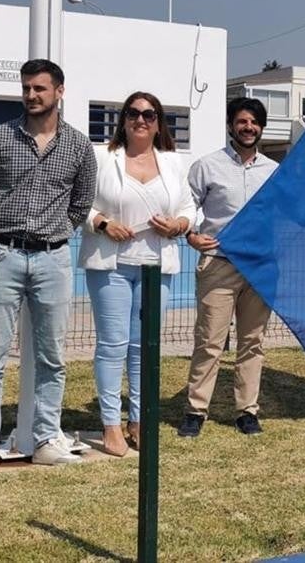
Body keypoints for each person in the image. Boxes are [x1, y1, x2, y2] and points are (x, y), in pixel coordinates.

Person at [0, 58, 97, 475]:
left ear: (59, 91)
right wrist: (4, 229)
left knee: (53, 356)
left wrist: (54, 231)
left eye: (40, 88)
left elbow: (81, 202)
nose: (32, 95)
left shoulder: (77, 146)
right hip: (2, 255)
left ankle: (46, 437)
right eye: (26, 88)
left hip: (54, 258)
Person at [81, 92, 195, 456]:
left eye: (148, 114)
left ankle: (140, 419)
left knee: (144, 347)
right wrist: (102, 224)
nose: (140, 119)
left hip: (155, 267)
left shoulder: (175, 163)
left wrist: (179, 224)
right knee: (112, 346)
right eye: (133, 113)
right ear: (123, 120)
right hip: (111, 266)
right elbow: (80, 203)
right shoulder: (102, 158)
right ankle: (111, 424)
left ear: (159, 121)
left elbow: (189, 208)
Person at [178, 98, 277, 437]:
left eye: (254, 122)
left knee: (253, 342)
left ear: (261, 127)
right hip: (219, 264)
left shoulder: (274, 171)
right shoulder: (207, 166)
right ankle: (196, 410)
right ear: (231, 125)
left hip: (260, 267)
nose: (248, 127)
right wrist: (190, 235)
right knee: (209, 341)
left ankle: (246, 411)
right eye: (242, 121)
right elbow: (185, 206)